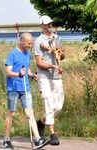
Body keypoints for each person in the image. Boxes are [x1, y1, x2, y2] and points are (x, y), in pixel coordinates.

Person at [3, 32, 50, 149]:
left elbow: (26, 70)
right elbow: (8, 72)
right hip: (13, 88)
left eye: (31, 44)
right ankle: (6, 140)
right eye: (28, 44)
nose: (30, 46)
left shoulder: (28, 53)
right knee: (11, 114)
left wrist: (32, 75)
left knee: (30, 113)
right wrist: (18, 74)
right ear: (21, 42)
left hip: (25, 87)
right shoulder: (12, 54)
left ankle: (37, 139)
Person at [33, 15, 65, 146]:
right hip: (44, 77)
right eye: (47, 24)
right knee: (48, 104)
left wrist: (60, 54)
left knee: (58, 106)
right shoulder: (38, 41)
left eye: (51, 23)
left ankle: (40, 122)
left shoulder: (57, 38)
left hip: (57, 76)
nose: (50, 25)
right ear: (41, 26)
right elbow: (39, 63)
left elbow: (62, 56)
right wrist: (52, 66)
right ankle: (52, 135)